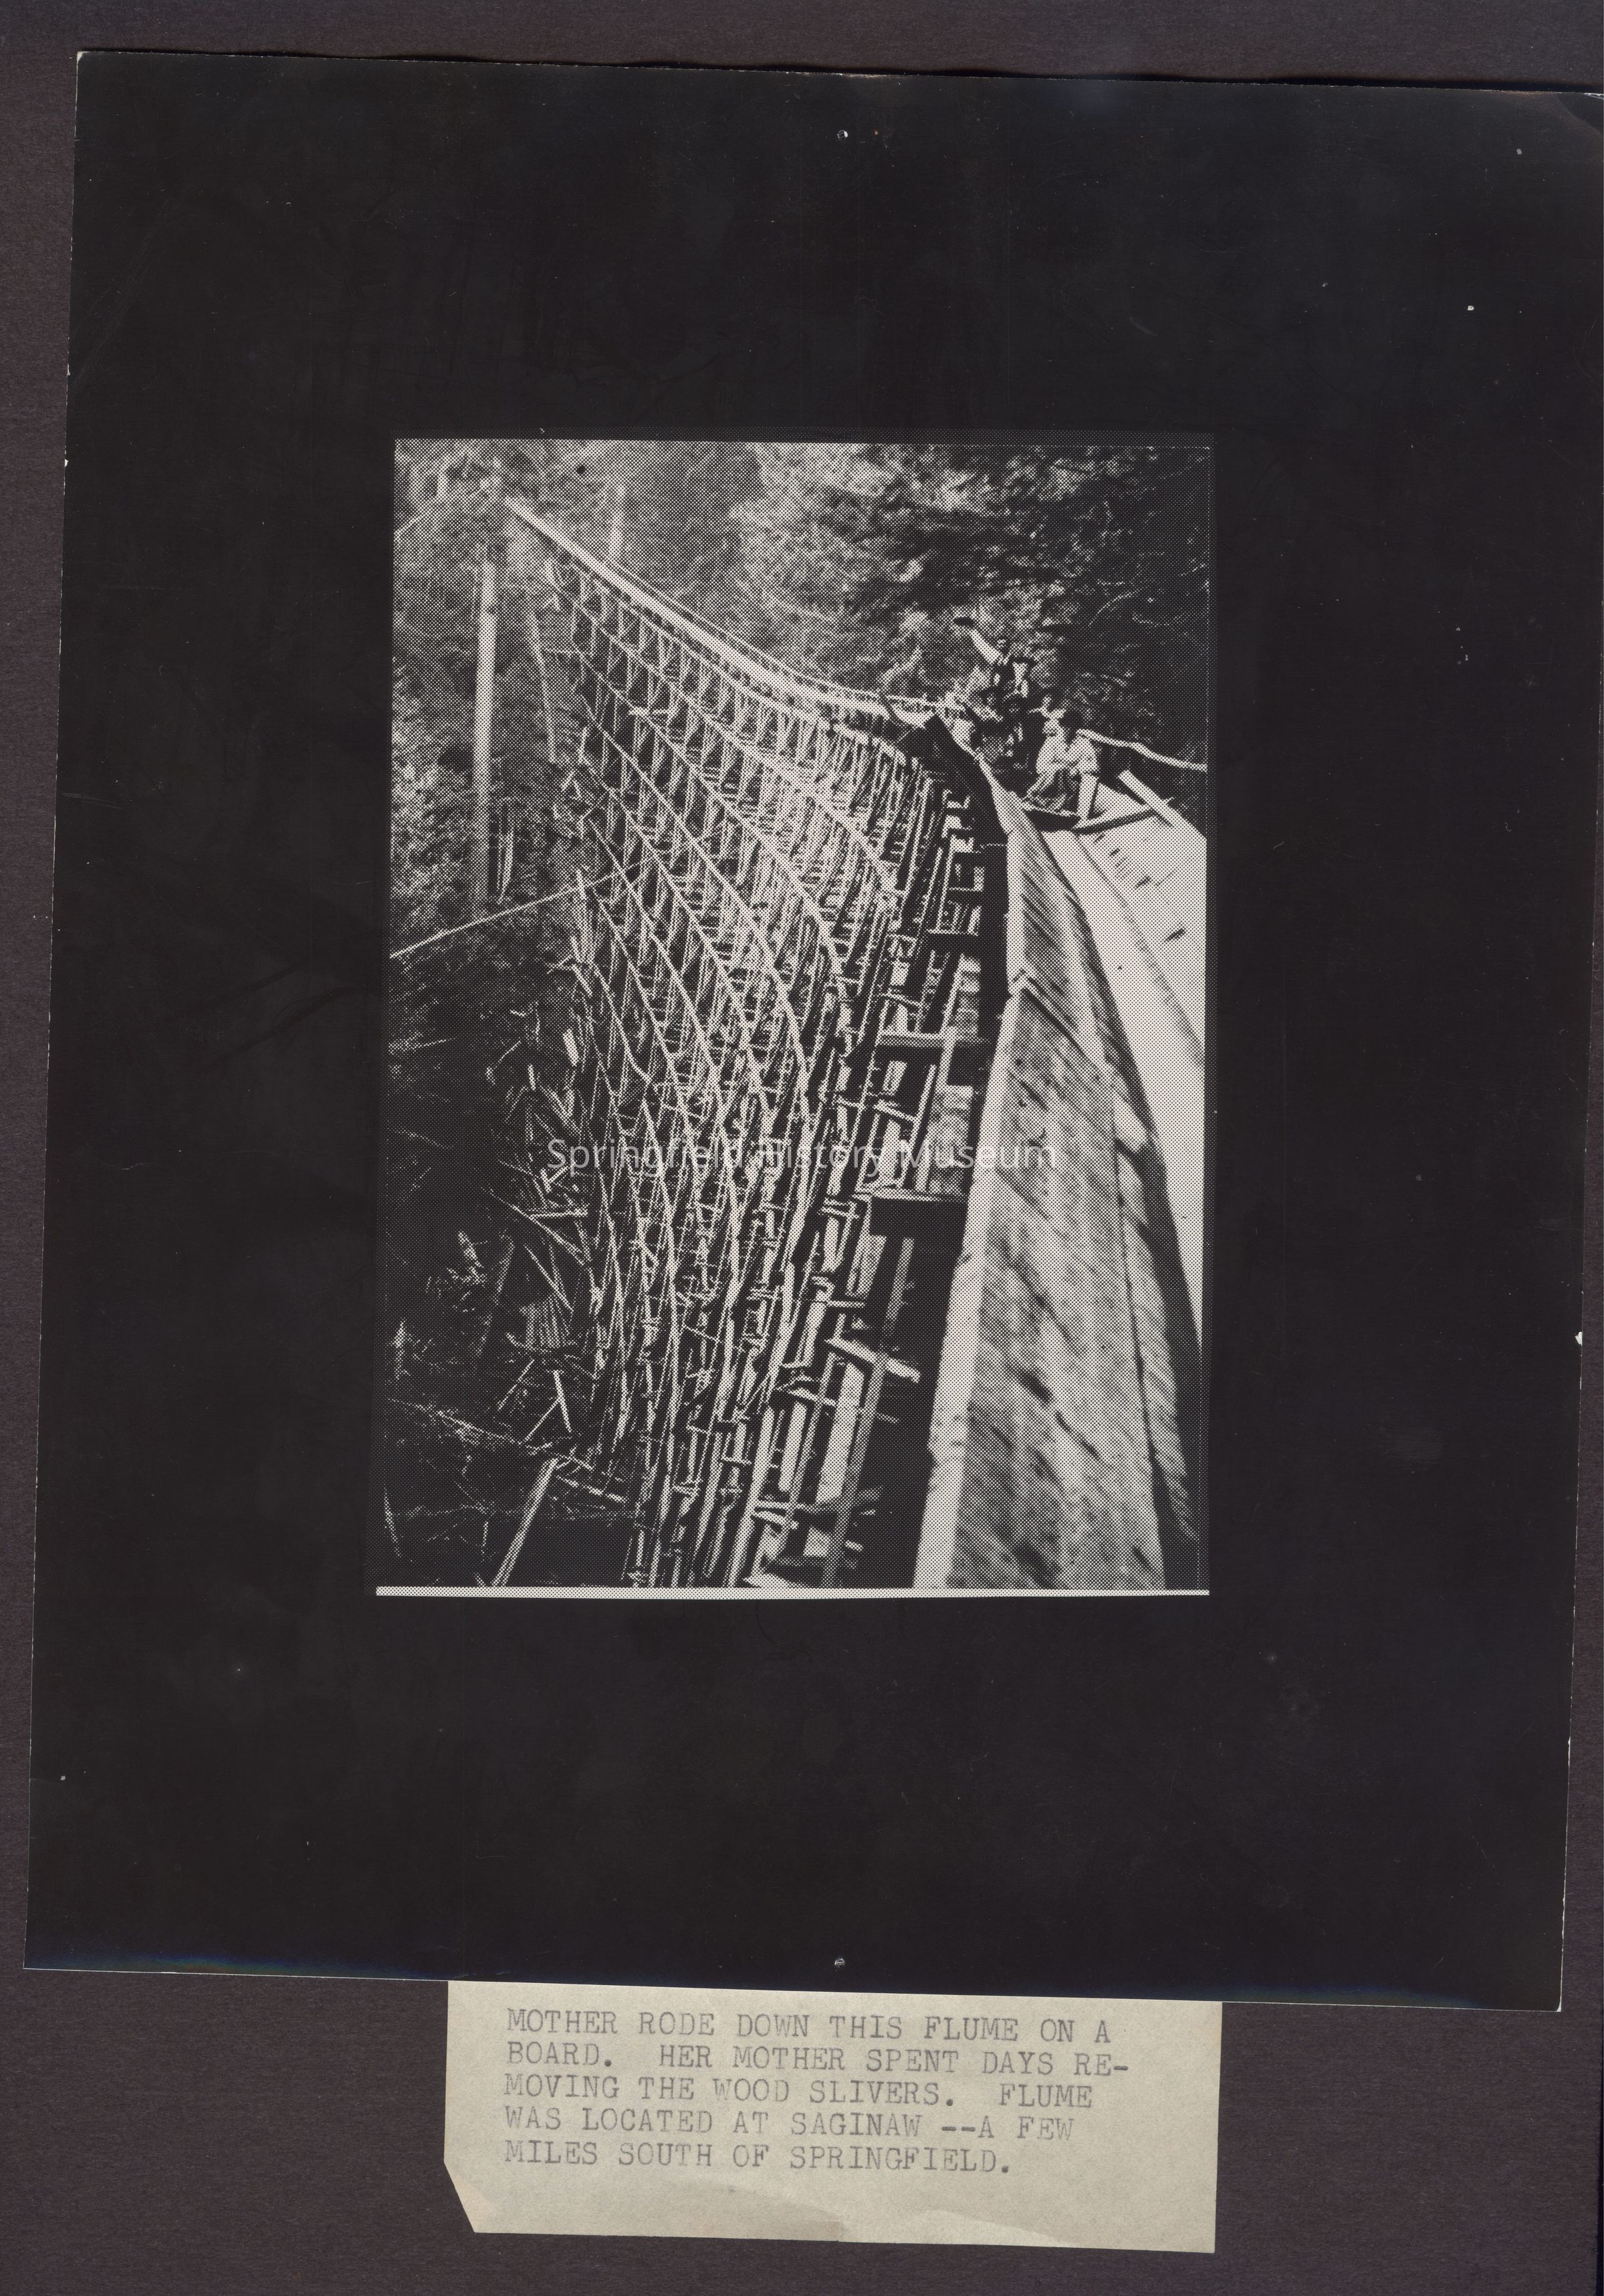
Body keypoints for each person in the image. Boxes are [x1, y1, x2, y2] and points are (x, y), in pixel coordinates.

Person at [1028, 711, 1105, 820]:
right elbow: (1040, 766)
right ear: (1061, 726)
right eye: (1065, 725)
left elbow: (1093, 766)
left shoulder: (1084, 743)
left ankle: (1072, 813)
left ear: (1076, 728)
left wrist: (1077, 769)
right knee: (1058, 773)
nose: (1067, 730)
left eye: (1071, 726)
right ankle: (1041, 803)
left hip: (1072, 782)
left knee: (1086, 779)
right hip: (1050, 781)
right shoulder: (1052, 741)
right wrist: (1061, 768)